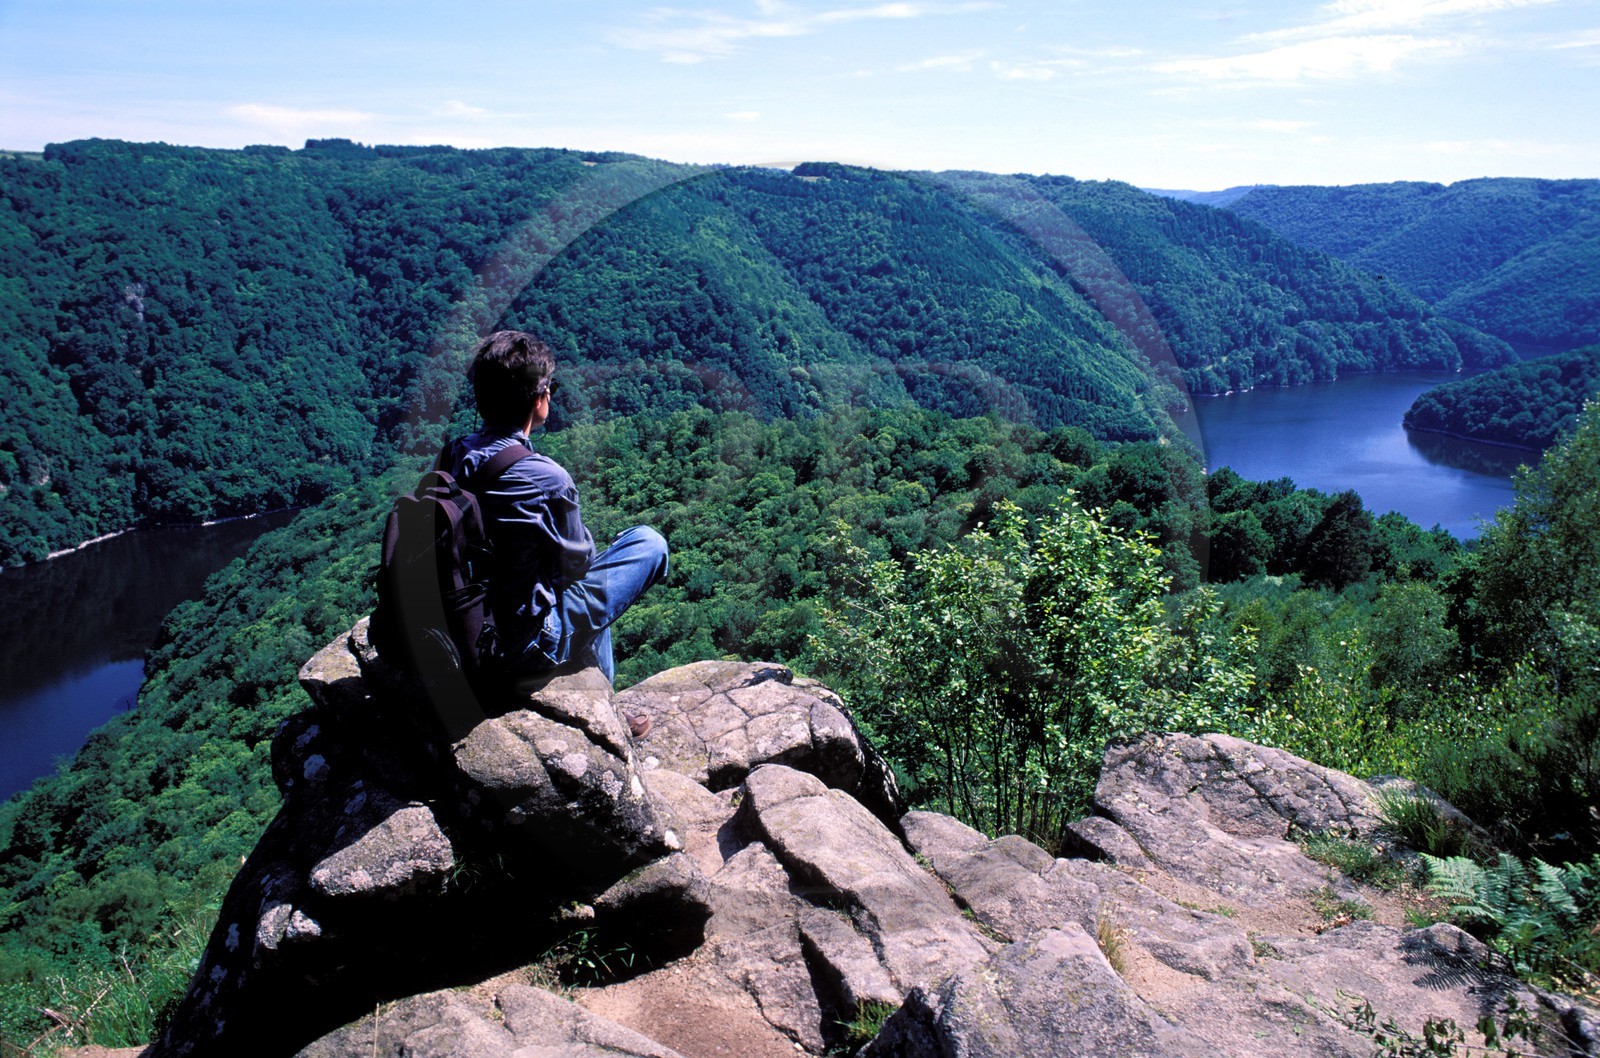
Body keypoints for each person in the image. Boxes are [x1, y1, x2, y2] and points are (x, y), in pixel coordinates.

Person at [440, 331, 668, 690]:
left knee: (580, 589)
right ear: (539, 399)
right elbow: (578, 565)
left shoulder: (453, 454)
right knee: (649, 544)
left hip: (463, 621)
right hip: (523, 645)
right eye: (551, 388)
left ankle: (605, 701)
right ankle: (606, 705)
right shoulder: (547, 478)